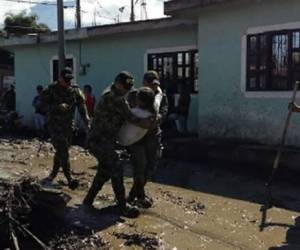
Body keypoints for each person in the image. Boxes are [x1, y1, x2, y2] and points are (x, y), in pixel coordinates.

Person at [83, 71, 153, 218]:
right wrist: (144, 122)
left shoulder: (114, 92)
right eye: (125, 87)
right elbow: (130, 116)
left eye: (129, 87)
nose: (128, 90)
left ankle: (88, 201)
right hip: (99, 140)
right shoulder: (114, 98)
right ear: (117, 83)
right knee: (117, 168)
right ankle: (122, 205)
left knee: (104, 170)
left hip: (103, 139)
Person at [41, 67, 90, 189]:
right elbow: (40, 105)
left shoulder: (74, 90)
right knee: (63, 150)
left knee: (61, 152)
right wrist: (57, 106)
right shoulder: (51, 89)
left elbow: (82, 107)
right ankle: (70, 179)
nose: (68, 82)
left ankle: (53, 174)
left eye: (70, 80)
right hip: (55, 126)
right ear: (60, 78)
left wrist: (87, 122)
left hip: (68, 126)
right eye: (66, 79)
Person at [127, 70, 168, 208]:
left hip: (153, 135)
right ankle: (138, 196)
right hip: (137, 137)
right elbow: (127, 113)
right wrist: (139, 120)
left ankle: (134, 195)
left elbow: (164, 111)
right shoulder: (134, 96)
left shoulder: (161, 97)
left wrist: (158, 118)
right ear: (144, 83)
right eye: (151, 84)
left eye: (156, 84)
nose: (154, 87)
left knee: (150, 167)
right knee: (140, 166)